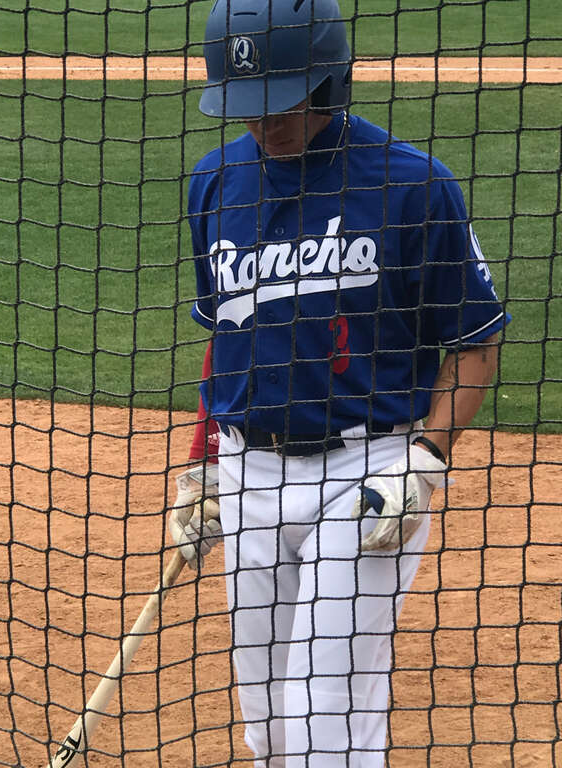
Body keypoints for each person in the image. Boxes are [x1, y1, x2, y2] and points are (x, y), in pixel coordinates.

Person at [168, 0, 510, 765]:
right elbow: (229, 340)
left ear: (331, 81)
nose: (266, 125)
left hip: (368, 473)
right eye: (249, 108)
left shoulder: (414, 186)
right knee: (267, 722)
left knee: (326, 709)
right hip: (248, 470)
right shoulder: (213, 183)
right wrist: (204, 465)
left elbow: (477, 343)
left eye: (283, 103)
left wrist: (424, 463)